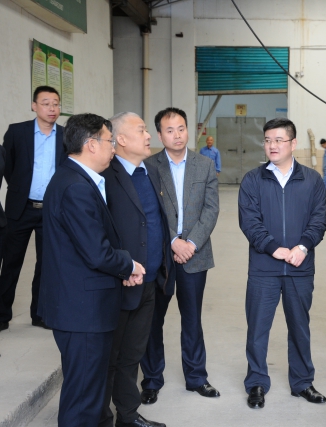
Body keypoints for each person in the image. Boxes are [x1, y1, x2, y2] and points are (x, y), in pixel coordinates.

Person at [37, 113, 145, 427]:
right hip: (82, 311)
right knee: (83, 400)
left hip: (81, 307)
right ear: (91, 144)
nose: (113, 148)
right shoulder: (75, 187)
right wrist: (129, 264)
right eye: (110, 141)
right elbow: (96, 252)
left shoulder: (75, 179)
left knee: (89, 393)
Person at [238, 118, 326, 409]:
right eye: (267, 140)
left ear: (293, 143)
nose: (272, 145)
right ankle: (256, 382)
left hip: (300, 268)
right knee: (257, 329)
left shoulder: (312, 180)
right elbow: (249, 221)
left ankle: (302, 382)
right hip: (263, 268)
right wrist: (273, 248)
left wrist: (302, 247)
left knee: (300, 328)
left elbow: (319, 220)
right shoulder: (253, 180)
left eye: (278, 140)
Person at [99, 112, 175, 427]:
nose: (148, 136)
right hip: (119, 283)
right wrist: (123, 268)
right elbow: (100, 233)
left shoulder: (150, 171)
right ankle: (101, 417)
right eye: (141, 130)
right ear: (120, 140)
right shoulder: (106, 175)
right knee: (110, 357)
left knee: (132, 355)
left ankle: (127, 416)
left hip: (150, 281)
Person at [140, 107, 220, 404]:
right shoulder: (148, 167)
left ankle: (196, 377)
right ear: (160, 135)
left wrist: (191, 244)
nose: (177, 135)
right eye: (170, 130)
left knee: (192, 319)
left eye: (181, 128)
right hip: (159, 255)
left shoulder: (205, 165)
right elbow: (148, 212)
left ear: (189, 131)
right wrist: (173, 241)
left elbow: (211, 209)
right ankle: (151, 379)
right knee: (152, 320)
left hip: (195, 256)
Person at [0, 85, 66, 332]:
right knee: (11, 262)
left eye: (56, 104)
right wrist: (19, 190)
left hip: (51, 210)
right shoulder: (17, 132)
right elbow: (7, 166)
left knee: (47, 265)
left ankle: (40, 314)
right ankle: (2, 314)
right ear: (34, 106)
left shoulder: (65, 136)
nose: (52, 108)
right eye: (46, 103)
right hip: (21, 208)